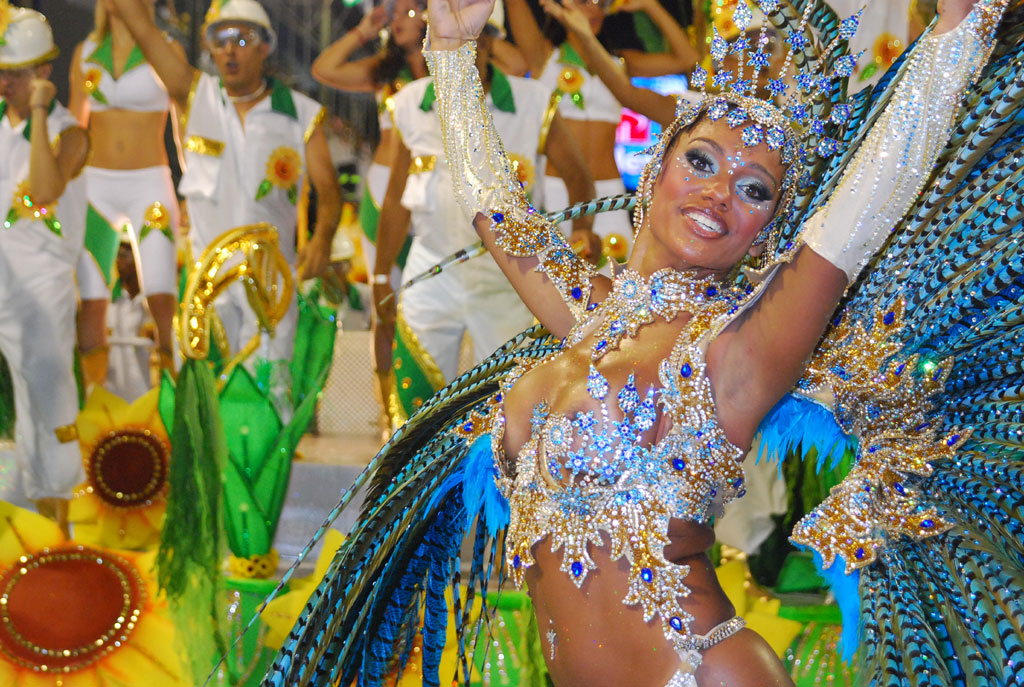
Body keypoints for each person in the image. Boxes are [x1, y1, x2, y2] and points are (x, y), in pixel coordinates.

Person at [263, 0, 1019, 686]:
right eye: (702, 161)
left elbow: (859, 212)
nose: (719, 193)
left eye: (755, 189)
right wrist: (453, 52)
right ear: (657, 167)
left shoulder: (738, 350)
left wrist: (957, 34)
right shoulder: (590, 315)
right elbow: (496, 209)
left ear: (770, 230)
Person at [312, 0, 526, 429]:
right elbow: (325, 70)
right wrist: (364, 30)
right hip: (396, 193)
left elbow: (517, 65)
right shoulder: (390, 77)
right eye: (398, 12)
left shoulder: (476, 71)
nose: (402, 17)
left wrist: (474, 30)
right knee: (388, 302)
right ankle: (388, 409)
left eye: (412, 9)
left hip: (452, 205)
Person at [108, 0, 341, 388]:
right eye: (221, 39)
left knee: (272, 391)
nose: (230, 49)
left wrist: (323, 240)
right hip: (207, 285)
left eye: (243, 39)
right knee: (209, 393)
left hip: (272, 283)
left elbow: (330, 191)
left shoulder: (301, 114)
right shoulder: (194, 96)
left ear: (265, 47)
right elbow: (143, 30)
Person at [371, 21, 595, 423]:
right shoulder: (410, 103)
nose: (459, 50)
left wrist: (582, 232)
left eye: (471, 39)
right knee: (414, 406)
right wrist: (380, 274)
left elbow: (579, 178)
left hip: (511, 279)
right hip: (431, 272)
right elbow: (394, 200)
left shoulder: (533, 102)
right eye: (445, 40)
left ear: (489, 43)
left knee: (507, 408)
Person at [506, 0, 697, 256]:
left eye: (601, 3)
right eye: (584, 2)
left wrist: (650, 5)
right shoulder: (545, 56)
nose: (594, 9)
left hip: (609, 192)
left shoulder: (620, 64)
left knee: (615, 275)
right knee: (550, 273)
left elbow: (687, 58)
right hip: (554, 188)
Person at [0, 6, 90, 535]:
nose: (4, 83)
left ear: (42, 73)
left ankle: (60, 529)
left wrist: (37, 111)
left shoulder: (70, 133)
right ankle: (35, 525)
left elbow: (44, 189)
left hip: (44, 292)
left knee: (50, 405)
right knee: (24, 414)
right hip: (3, 285)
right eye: (1, 72)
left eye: (14, 73)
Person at [69, 0, 183, 387]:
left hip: (149, 184)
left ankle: (174, 398)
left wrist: (194, 183)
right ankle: (95, 402)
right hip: (94, 187)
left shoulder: (165, 49)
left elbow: (182, 120)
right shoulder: (86, 52)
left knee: (161, 295)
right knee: (91, 299)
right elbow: (74, 127)